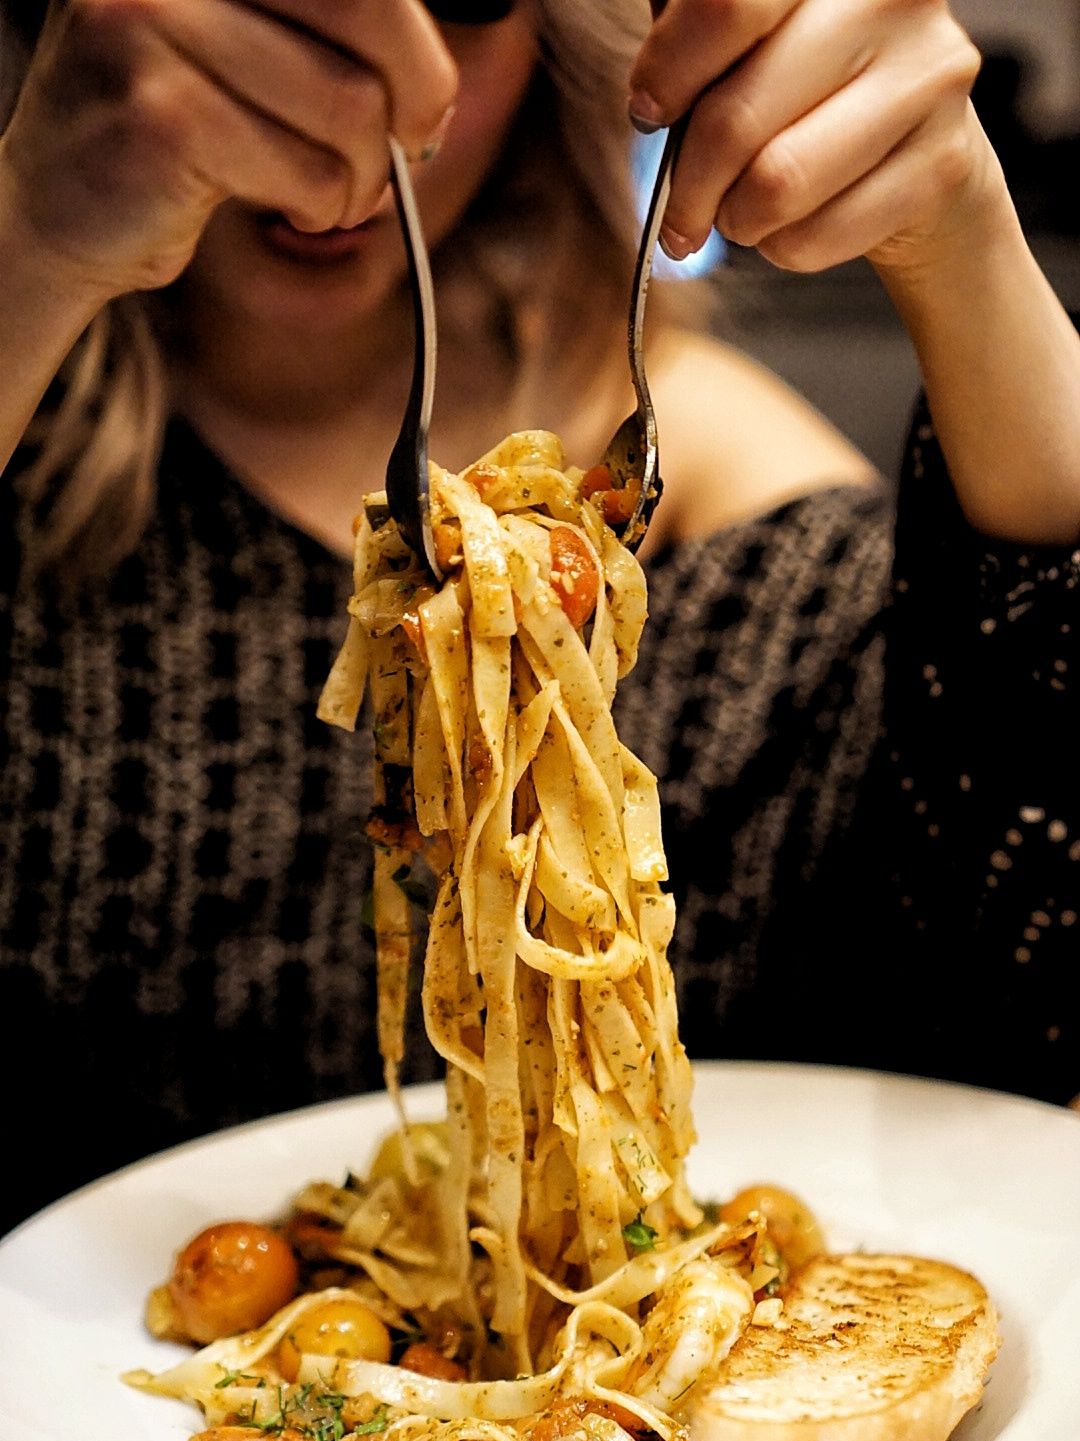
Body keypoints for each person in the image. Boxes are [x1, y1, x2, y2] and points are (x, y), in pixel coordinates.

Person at [1, 0, 1077, 1234]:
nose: (352, 93)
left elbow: (1030, 971)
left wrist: (971, 255)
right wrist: (28, 243)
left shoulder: (725, 512)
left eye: (460, 2)